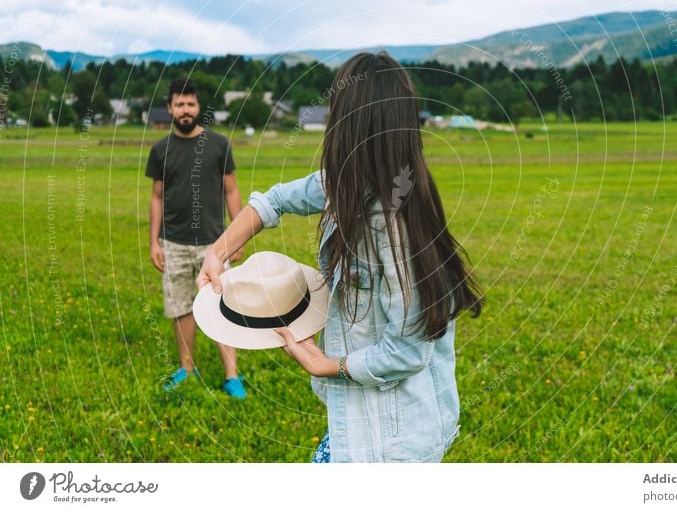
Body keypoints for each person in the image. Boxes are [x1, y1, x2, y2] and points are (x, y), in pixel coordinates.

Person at [197, 52, 483, 462]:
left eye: (337, 115)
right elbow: (276, 200)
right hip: (359, 421)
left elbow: (406, 351)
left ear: (353, 127)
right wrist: (219, 251)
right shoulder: (349, 182)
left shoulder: (394, 226)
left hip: (394, 440)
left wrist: (323, 364)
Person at [146, 78, 247, 399]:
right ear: (170, 108)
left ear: (198, 107)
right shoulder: (160, 150)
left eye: (190, 104)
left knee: (221, 306)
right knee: (180, 306)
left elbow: (231, 190)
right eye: (179, 104)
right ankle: (186, 368)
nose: (185, 109)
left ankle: (232, 375)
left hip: (214, 245)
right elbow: (156, 197)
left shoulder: (218, 145)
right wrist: (153, 242)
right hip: (173, 243)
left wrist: (238, 235)